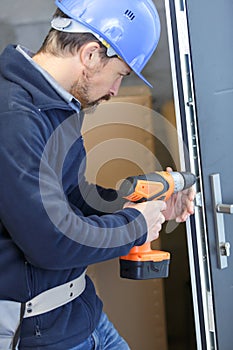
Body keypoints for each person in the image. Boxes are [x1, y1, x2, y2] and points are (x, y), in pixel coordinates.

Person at [0, 0, 195, 349]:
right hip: (39, 336)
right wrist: (135, 224)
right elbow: (52, 241)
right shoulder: (14, 117)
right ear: (91, 55)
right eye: (119, 74)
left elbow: (73, 198)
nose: (114, 91)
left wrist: (147, 206)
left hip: (81, 313)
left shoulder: (56, 104)